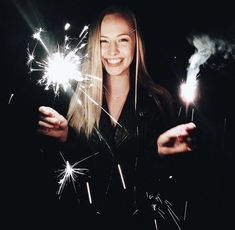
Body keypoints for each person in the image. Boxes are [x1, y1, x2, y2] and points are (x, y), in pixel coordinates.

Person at [37, 5, 196, 230]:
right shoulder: (75, 102)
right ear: (94, 45)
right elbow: (68, 177)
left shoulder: (159, 102)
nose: (112, 51)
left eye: (122, 40)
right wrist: (64, 139)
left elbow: (172, 185)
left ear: (135, 44)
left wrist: (159, 152)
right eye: (104, 41)